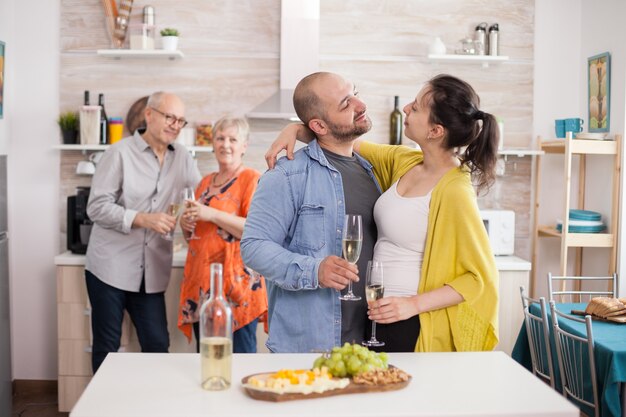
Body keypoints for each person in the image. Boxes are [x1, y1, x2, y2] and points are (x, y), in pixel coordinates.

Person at [266, 74, 499, 352]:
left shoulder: (455, 190)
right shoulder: (406, 161)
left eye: (416, 107)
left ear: (435, 131)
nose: (406, 108)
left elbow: (479, 279)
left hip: (407, 318)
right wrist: (294, 129)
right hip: (376, 316)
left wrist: (412, 305)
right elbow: (340, 135)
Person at [240, 72, 382, 353]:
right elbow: (253, 247)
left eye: (355, 92)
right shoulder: (287, 174)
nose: (361, 104)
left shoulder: (374, 170)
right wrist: (314, 270)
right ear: (318, 124)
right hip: (311, 345)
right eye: (345, 104)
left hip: (368, 342)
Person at [85, 91, 201, 372]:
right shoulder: (119, 153)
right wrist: (142, 219)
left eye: (181, 121)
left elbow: (199, 197)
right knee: (107, 346)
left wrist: (192, 217)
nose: (175, 125)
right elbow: (96, 207)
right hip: (109, 267)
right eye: (169, 117)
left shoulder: (182, 157)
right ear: (149, 115)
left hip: (151, 272)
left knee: (157, 345)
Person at [178, 116, 267, 353]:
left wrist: (211, 214)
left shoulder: (251, 179)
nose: (225, 144)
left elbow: (255, 230)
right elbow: (195, 238)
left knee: (239, 359)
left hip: (236, 288)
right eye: (220, 138)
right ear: (213, 143)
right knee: (207, 357)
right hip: (202, 286)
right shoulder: (205, 182)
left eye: (232, 139)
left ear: (244, 146)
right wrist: (186, 226)